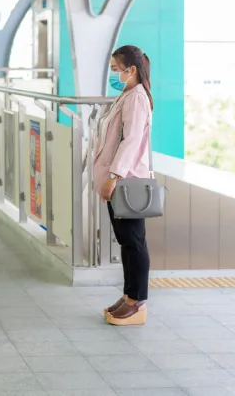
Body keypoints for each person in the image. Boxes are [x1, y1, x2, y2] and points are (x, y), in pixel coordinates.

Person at [93, 45, 154, 327]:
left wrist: (113, 176)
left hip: (126, 182)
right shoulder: (128, 94)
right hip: (120, 179)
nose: (114, 74)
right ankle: (129, 296)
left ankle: (137, 301)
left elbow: (130, 141)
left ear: (131, 70)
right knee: (127, 242)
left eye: (117, 70)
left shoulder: (137, 98)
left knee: (133, 242)